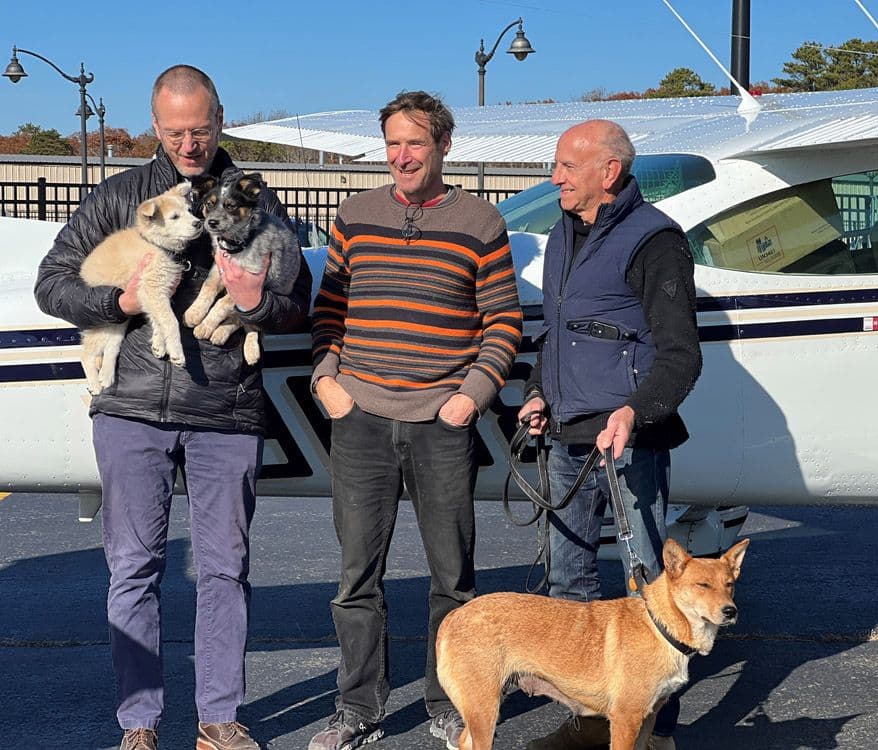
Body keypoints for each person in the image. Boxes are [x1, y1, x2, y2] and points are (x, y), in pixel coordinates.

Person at [34, 65, 313, 750]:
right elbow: (52, 283)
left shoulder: (253, 196)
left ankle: (219, 719)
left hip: (225, 408)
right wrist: (119, 301)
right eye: (176, 131)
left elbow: (297, 300)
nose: (190, 144)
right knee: (133, 569)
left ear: (220, 120)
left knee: (225, 570)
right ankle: (139, 725)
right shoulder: (119, 196)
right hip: (132, 409)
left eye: (201, 129)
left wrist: (256, 303)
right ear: (156, 127)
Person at [308, 90, 523, 750]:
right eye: (393, 143)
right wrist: (326, 381)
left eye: (416, 143)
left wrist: (470, 397)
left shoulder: (481, 221)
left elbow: (503, 322)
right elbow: (329, 311)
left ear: (443, 146)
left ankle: (450, 703)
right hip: (360, 418)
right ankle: (358, 709)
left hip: (442, 423)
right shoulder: (355, 215)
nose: (402, 156)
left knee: (452, 579)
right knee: (356, 579)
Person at [517, 119, 702, 750]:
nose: (555, 178)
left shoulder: (656, 240)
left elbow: (681, 356)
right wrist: (537, 391)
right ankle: (594, 726)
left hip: (629, 441)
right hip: (566, 436)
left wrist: (634, 412)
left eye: (567, 167)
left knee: (651, 587)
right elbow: (558, 333)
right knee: (568, 588)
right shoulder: (563, 234)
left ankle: (656, 732)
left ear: (609, 171)